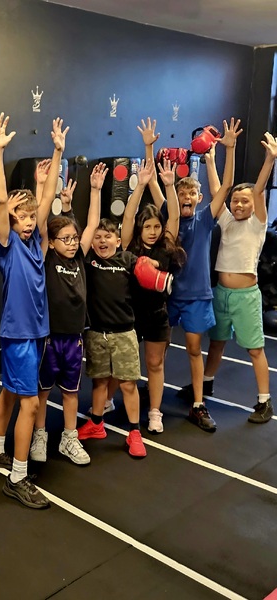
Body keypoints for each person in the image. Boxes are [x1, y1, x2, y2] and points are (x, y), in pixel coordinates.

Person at [0, 114, 66, 509]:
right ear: (10, 221)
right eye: (21, 218)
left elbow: (45, 203)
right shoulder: (7, 245)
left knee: (12, 392)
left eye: (31, 218)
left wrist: (58, 153)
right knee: (30, 403)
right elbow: (1, 201)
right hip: (19, 335)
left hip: (36, 333)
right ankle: (17, 476)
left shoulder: (35, 245)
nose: (28, 222)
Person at [179, 132, 277, 423]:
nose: (239, 205)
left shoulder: (258, 224)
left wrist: (270, 160)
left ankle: (264, 401)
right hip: (221, 292)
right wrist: (211, 160)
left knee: (255, 349)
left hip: (246, 297)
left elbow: (259, 189)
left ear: (254, 205)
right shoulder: (225, 220)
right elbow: (217, 189)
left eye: (245, 201)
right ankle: (206, 382)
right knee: (217, 343)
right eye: (235, 200)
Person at [153, 118, 242, 431]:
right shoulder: (170, 216)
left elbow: (226, 187)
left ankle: (198, 404)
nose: (187, 199)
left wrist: (229, 149)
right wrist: (150, 149)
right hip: (168, 294)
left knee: (193, 348)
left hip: (196, 296)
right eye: (182, 195)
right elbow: (155, 187)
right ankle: (154, 398)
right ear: (176, 199)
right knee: (159, 348)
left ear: (199, 199)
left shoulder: (205, 220)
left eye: (192, 195)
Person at [31, 161, 104, 466]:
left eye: (75, 239)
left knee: (71, 392)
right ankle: (39, 434)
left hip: (74, 339)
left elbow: (92, 224)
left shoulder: (80, 259)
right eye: (66, 239)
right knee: (43, 391)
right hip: (50, 338)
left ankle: (69, 438)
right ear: (52, 242)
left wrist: (96, 191)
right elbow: (40, 222)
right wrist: (40, 185)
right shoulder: (47, 258)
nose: (73, 244)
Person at [120, 153, 185, 433]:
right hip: (131, 314)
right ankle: (107, 402)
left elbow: (174, 216)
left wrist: (169, 185)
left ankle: (155, 412)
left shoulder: (166, 247)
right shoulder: (131, 246)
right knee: (125, 365)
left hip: (158, 315)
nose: (152, 231)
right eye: (147, 227)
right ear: (140, 228)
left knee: (155, 363)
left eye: (156, 226)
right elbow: (127, 216)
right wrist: (139, 186)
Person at [75, 216, 148, 457]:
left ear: (117, 240)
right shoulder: (89, 261)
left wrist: (154, 269)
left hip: (124, 333)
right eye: (98, 237)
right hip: (97, 333)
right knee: (100, 382)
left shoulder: (127, 259)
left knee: (128, 384)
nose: (102, 241)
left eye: (107, 236)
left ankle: (134, 432)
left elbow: (147, 267)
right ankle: (96, 424)